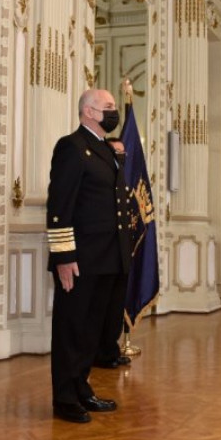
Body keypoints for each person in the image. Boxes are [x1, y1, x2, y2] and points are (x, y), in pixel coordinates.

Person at [46, 88, 132, 423]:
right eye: (108, 107)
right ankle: (65, 399)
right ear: (88, 111)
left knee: (92, 330)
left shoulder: (104, 150)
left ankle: (82, 389)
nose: (114, 113)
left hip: (109, 258)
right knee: (72, 329)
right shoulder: (71, 147)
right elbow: (60, 206)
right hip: (80, 259)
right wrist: (64, 256)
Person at [93, 137, 132, 369]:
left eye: (123, 152)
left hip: (121, 256)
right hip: (104, 256)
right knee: (101, 309)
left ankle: (110, 350)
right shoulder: (104, 182)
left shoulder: (123, 182)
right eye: (116, 152)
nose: (121, 156)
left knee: (115, 309)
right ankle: (100, 353)